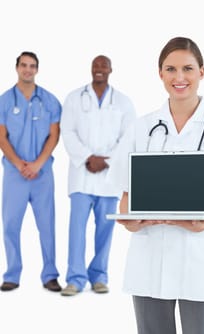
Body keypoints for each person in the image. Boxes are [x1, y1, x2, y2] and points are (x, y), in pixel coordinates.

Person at [109, 37, 204, 334]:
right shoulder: (142, 126)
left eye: (188, 68)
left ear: (202, 72)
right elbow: (125, 195)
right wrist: (130, 220)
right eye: (171, 69)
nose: (179, 77)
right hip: (150, 258)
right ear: (160, 73)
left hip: (201, 258)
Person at [60, 55, 136, 296]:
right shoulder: (74, 98)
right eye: (96, 65)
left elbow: (128, 137)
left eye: (103, 65)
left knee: (105, 229)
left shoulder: (123, 102)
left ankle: (99, 276)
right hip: (82, 176)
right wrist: (87, 158)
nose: (99, 69)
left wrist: (107, 160)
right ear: (91, 69)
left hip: (108, 178)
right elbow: (67, 131)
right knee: (77, 230)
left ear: (111, 69)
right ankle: (75, 278)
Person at [0, 51, 62, 292]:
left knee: (47, 225)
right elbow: (2, 137)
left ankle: (50, 275)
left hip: (42, 174)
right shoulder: (5, 101)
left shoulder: (49, 101)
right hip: (15, 174)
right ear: (16, 68)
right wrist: (18, 164)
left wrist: (37, 164)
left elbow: (54, 135)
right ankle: (12, 274)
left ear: (37, 69)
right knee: (11, 224)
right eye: (24, 65)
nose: (28, 69)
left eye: (32, 66)